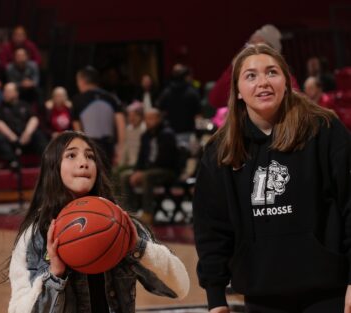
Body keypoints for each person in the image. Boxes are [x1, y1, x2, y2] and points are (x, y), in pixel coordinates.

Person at [193, 44, 351, 313]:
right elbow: (211, 227)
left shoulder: (323, 129)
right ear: (238, 91)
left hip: (327, 290)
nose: (263, 82)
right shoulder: (221, 150)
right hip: (261, 293)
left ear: (287, 83)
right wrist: (216, 298)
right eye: (251, 76)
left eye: (272, 72)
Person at [7, 130, 190, 313]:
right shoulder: (35, 235)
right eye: (71, 155)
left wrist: (138, 248)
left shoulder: (122, 224)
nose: (84, 163)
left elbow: (180, 288)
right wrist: (54, 276)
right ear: (53, 167)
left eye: (90, 156)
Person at [209, 24, 299, 109]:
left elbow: (296, 104)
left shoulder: (285, 78)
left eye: (261, 46)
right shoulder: (241, 76)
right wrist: (233, 68)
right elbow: (216, 100)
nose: (254, 49)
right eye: (250, 45)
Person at [120, 108, 179, 225]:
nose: (148, 121)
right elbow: (141, 157)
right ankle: (130, 212)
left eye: (151, 119)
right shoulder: (145, 135)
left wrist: (142, 173)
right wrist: (136, 171)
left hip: (167, 170)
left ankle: (148, 213)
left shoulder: (167, 134)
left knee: (147, 176)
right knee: (125, 176)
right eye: (146, 119)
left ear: (159, 119)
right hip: (149, 171)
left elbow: (166, 160)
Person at [72, 66, 125, 168]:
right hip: (110, 146)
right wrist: (120, 148)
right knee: (109, 178)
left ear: (81, 81)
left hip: (90, 147)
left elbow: (77, 129)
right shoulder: (111, 98)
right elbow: (121, 123)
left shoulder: (77, 100)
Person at [0, 83, 47, 169]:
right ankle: (13, 162)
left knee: (38, 134)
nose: (5, 93)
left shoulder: (24, 105)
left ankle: (46, 161)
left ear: (16, 93)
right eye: (4, 91)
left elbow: (34, 119)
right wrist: (13, 138)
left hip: (26, 138)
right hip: (10, 139)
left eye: (8, 91)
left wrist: (27, 133)